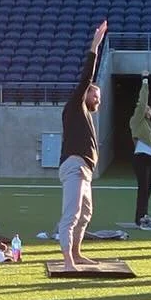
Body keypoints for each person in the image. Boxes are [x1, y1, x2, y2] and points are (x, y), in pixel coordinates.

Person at [56, 20, 108, 272]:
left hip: (85, 170)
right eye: (94, 94)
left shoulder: (86, 114)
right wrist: (95, 46)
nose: (98, 98)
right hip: (75, 166)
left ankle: (76, 253)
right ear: (84, 94)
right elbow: (87, 75)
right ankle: (67, 261)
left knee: (86, 213)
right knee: (72, 214)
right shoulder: (75, 106)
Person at [130, 74, 151, 230]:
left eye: (150, 108)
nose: (148, 109)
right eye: (147, 108)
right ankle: (140, 218)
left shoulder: (150, 125)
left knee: (148, 189)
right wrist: (145, 81)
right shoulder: (137, 120)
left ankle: (144, 215)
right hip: (142, 158)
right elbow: (142, 102)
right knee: (143, 189)